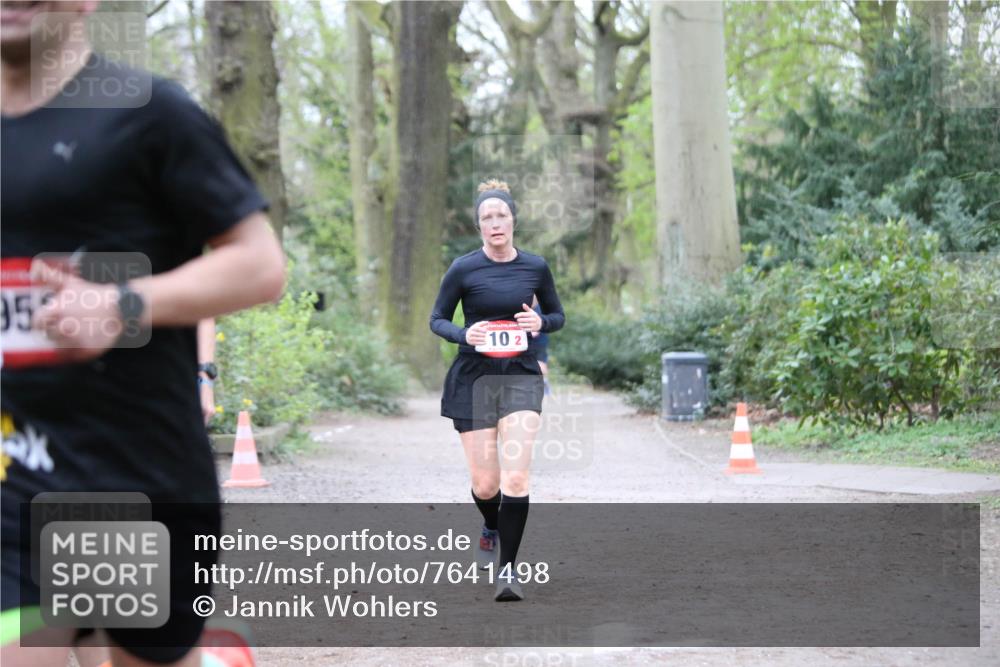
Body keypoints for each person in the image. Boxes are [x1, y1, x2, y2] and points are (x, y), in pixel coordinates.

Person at [1, 3, 285, 666]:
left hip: (130, 478)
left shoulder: (151, 114)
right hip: (16, 478)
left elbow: (259, 264)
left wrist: (124, 304)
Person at [429, 179, 565, 602]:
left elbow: (558, 315)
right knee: (486, 485)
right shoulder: (463, 269)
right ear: (480, 227)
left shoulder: (536, 267)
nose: (494, 223)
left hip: (521, 377)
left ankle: (508, 568)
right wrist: (465, 333)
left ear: (513, 221)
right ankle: (490, 525)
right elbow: (437, 319)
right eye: (486, 218)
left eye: (500, 215)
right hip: (473, 378)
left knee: (517, 476)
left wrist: (540, 324)